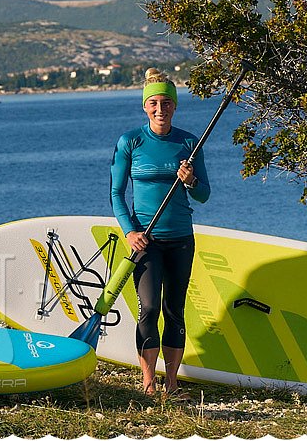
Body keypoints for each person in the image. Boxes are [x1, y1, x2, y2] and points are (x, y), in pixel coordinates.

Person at [109, 68, 211, 396]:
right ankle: (149, 383)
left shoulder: (189, 143)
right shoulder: (131, 142)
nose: (159, 109)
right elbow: (116, 193)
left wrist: (190, 180)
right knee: (150, 308)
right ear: (144, 106)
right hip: (146, 240)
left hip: (181, 239)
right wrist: (129, 232)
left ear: (175, 106)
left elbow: (204, 194)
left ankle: (172, 384)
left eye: (166, 103)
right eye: (153, 103)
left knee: (174, 310)